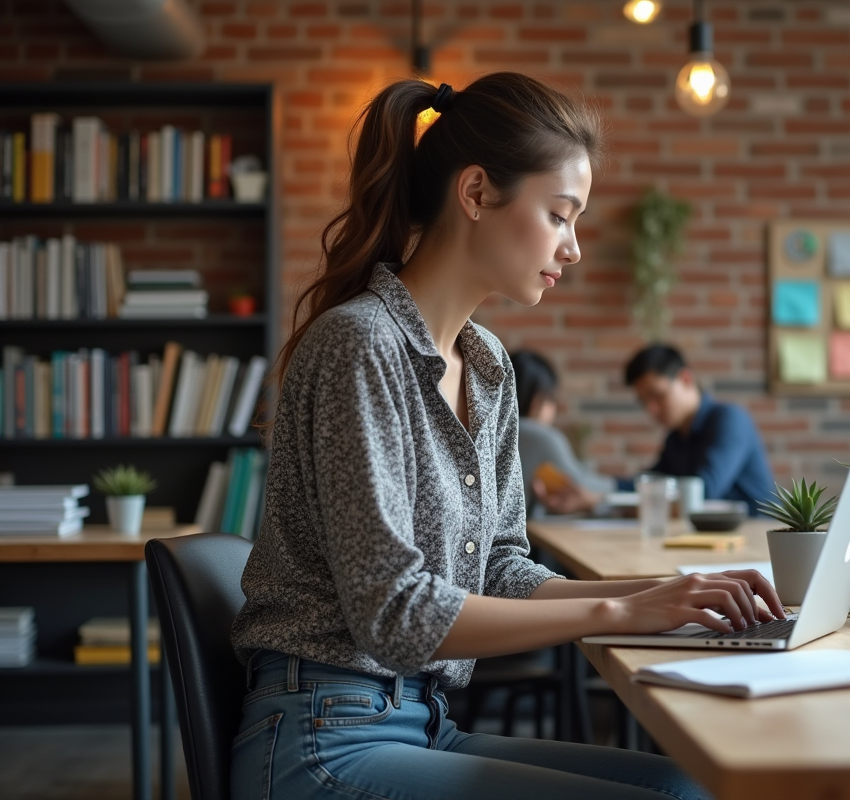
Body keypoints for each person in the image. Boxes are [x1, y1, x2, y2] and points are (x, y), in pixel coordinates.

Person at [229, 73, 784, 800]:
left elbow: (498, 570)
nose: (574, 248)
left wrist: (667, 591)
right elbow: (394, 614)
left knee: (688, 786)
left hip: (421, 722)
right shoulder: (360, 346)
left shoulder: (487, 366)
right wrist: (620, 611)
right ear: (477, 193)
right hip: (323, 740)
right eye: (560, 215)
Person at [624, 344, 775, 512]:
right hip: (708, 534)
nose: (651, 409)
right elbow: (653, 482)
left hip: (756, 531)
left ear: (686, 379)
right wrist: (603, 488)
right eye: (644, 402)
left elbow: (704, 491)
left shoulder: (730, 420)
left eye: (657, 395)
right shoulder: (676, 438)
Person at [511, 349, 615, 517]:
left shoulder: (492, 431)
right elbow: (581, 485)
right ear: (538, 400)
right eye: (551, 399)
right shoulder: (540, 436)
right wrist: (625, 486)